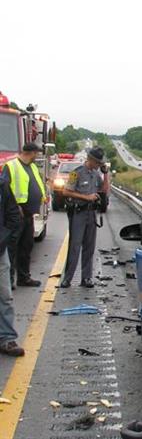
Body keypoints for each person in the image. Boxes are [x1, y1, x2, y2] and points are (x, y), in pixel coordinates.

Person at [59, 147, 110, 289]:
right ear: (91, 160)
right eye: (98, 163)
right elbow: (66, 191)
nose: (99, 165)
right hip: (79, 213)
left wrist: (106, 174)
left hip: (91, 214)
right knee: (75, 246)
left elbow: (104, 190)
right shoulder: (77, 173)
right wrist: (86, 197)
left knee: (89, 247)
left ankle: (86, 278)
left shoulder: (96, 174)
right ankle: (67, 278)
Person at [1, 143, 47, 289]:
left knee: (26, 247)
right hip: (16, 215)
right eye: (37, 153)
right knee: (11, 248)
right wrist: (16, 208)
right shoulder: (11, 165)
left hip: (28, 215)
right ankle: (8, 280)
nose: (38, 156)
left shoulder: (32, 167)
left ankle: (24, 277)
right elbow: (5, 189)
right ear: (31, 153)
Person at [0, 169, 25, 356]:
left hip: (0, 251)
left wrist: (4, 239)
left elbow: (13, 215)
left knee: (4, 296)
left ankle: (7, 339)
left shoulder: (2, 185)